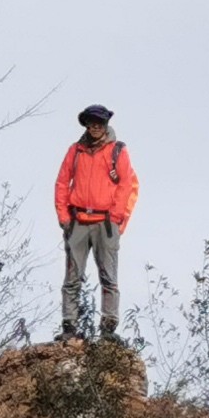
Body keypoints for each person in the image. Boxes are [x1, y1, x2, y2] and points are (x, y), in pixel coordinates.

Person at [54, 104, 139, 339]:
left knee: (108, 277)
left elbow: (126, 185)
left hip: (105, 222)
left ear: (106, 125)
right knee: (72, 277)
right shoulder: (76, 150)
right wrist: (64, 218)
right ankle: (69, 327)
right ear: (86, 124)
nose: (95, 127)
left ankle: (108, 329)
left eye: (99, 123)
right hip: (77, 220)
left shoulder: (118, 151)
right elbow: (62, 183)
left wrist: (115, 218)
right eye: (91, 123)